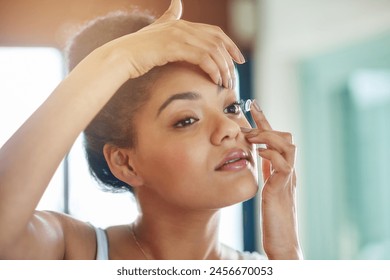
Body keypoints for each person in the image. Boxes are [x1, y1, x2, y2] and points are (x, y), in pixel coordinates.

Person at [0, 0, 302, 260]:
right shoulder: (76, 253)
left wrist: (287, 251)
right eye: (186, 119)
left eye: (231, 108)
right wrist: (122, 58)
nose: (228, 128)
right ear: (125, 162)